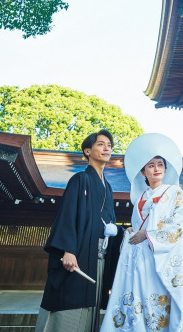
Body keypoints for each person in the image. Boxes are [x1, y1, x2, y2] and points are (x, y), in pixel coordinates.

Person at [100, 133, 183, 332]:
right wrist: (132, 231)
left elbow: (178, 227)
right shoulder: (140, 197)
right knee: (138, 302)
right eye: (150, 165)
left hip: (159, 259)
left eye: (160, 164)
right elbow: (138, 225)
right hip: (140, 259)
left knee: (156, 304)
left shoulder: (174, 192)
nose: (156, 169)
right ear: (143, 172)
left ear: (165, 169)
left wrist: (148, 235)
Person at [36, 129, 120, 332]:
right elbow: (67, 214)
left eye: (109, 145)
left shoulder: (107, 187)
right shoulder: (80, 179)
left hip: (98, 255)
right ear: (87, 151)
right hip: (79, 253)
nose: (106, 148)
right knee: (71, 298)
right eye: (101, 144)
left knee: (91, 301)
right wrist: (67, 250)